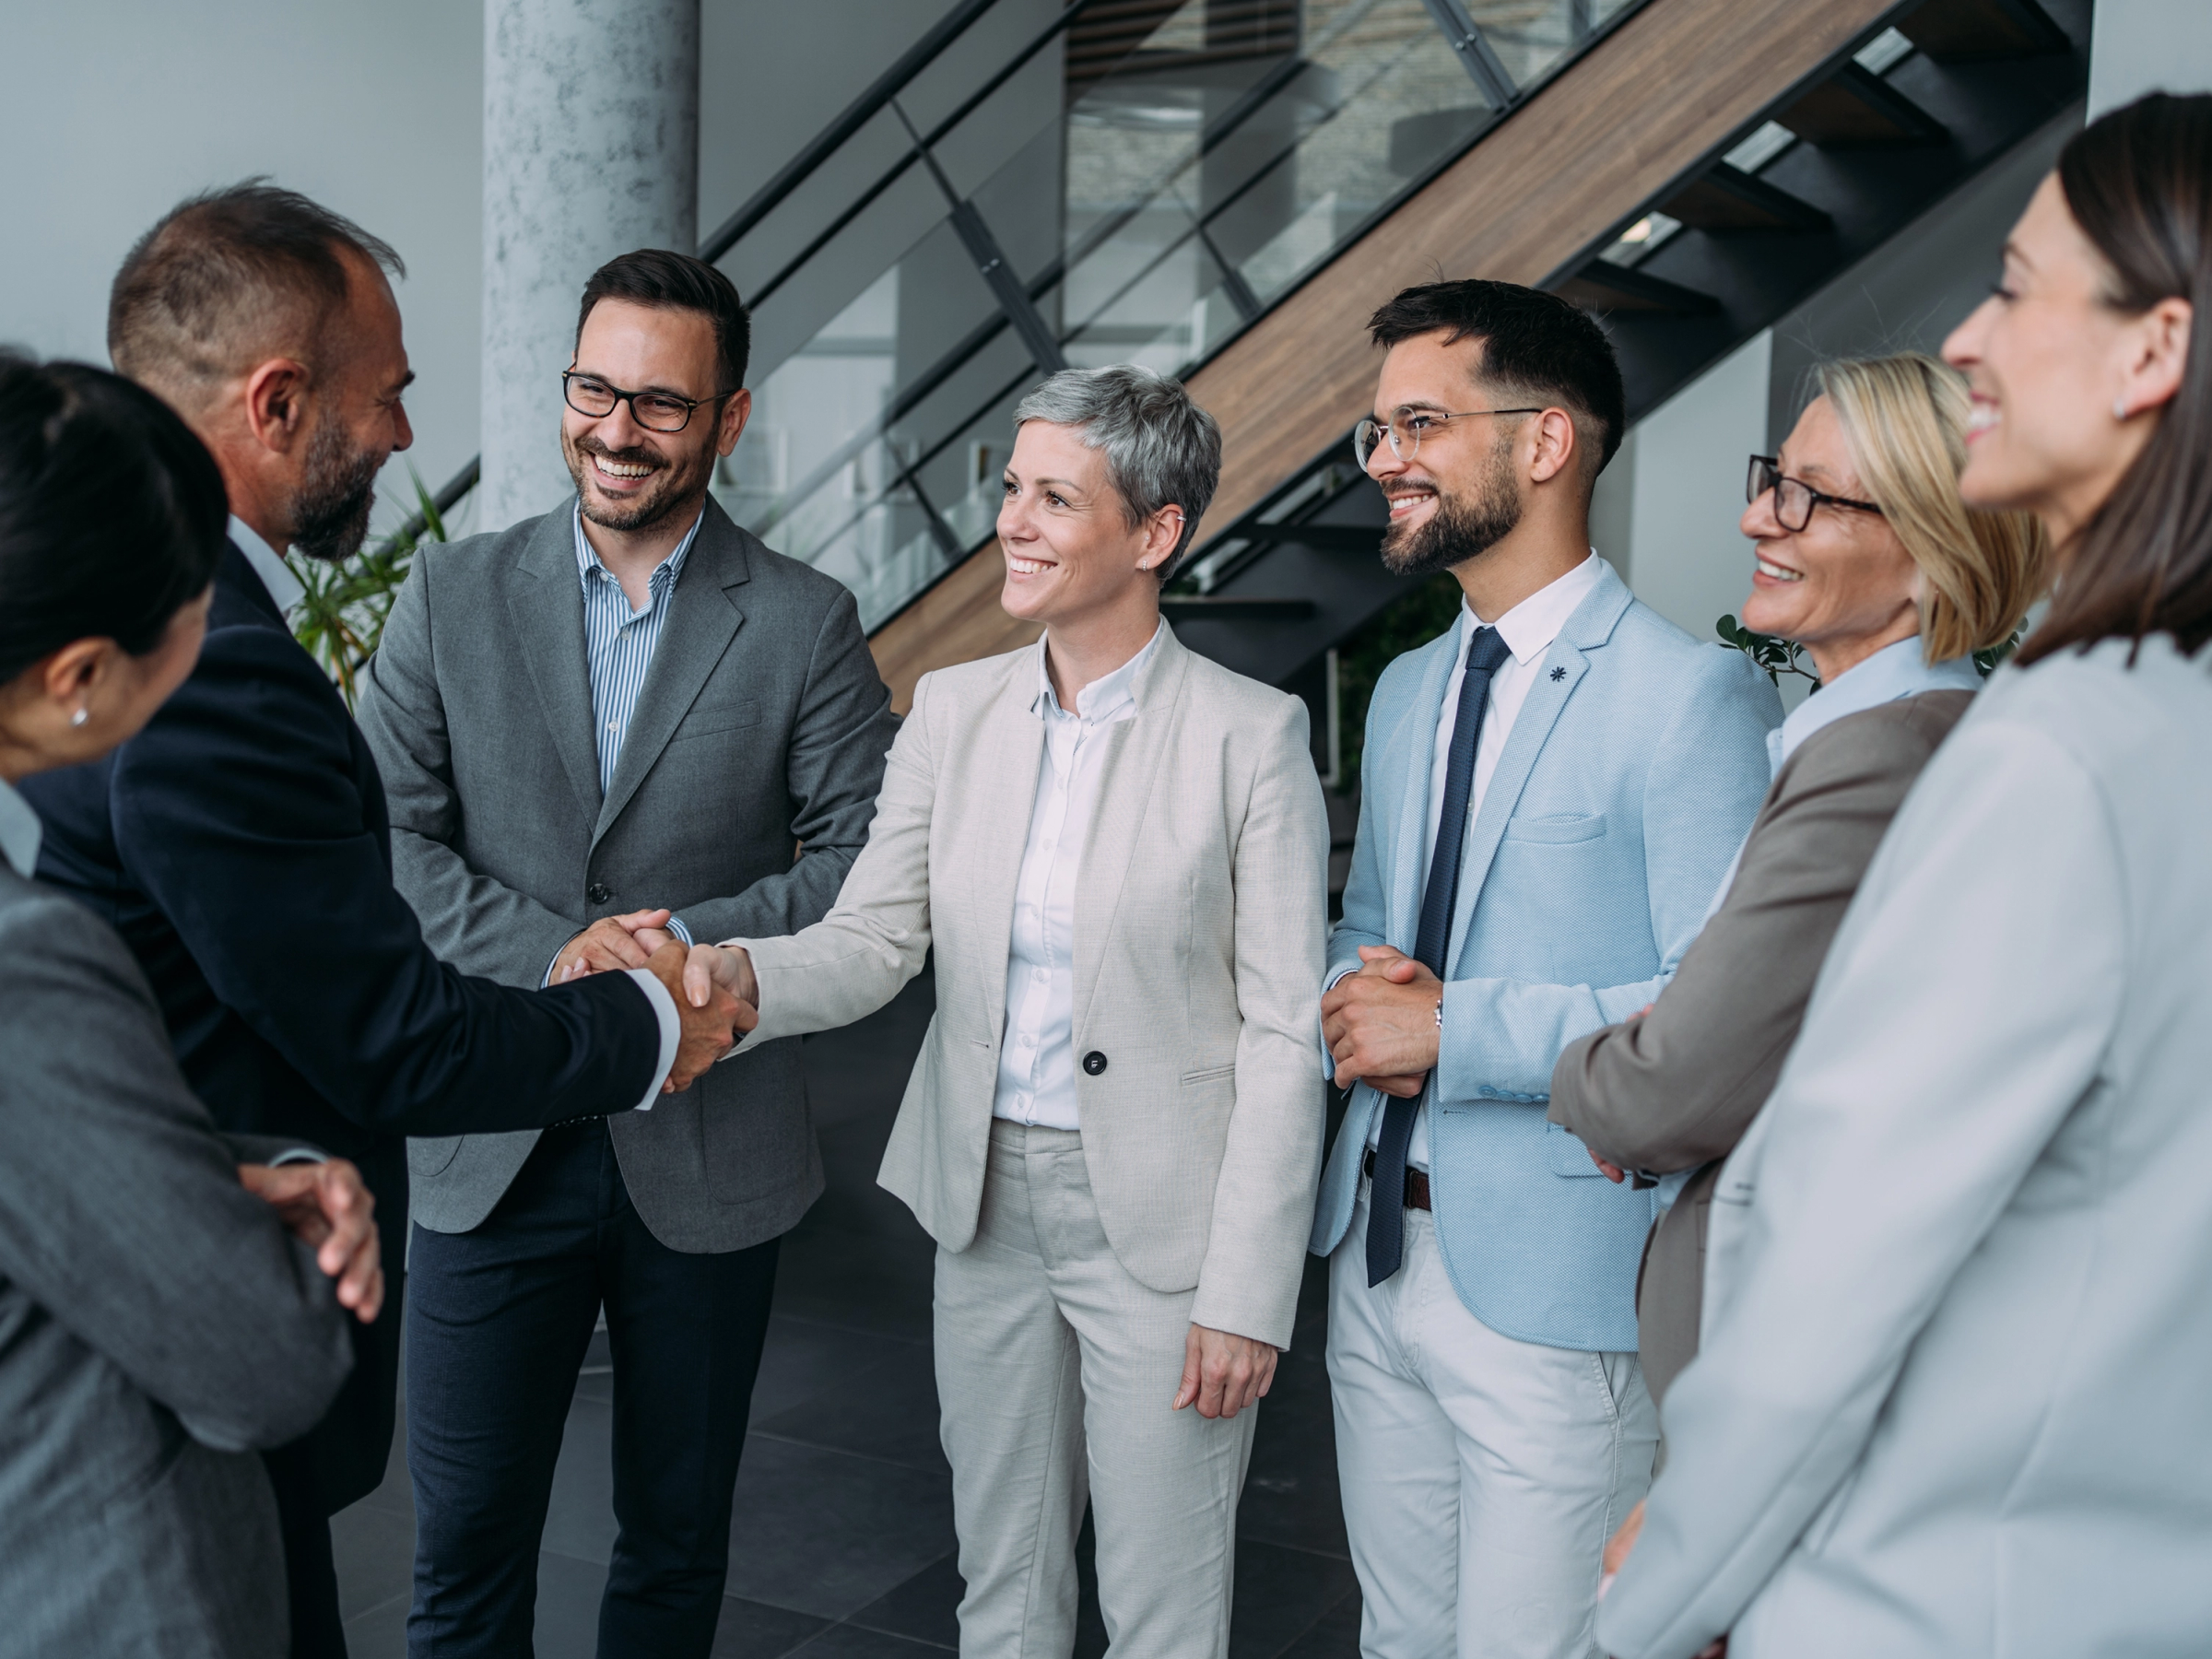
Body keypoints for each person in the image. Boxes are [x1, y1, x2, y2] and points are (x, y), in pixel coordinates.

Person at [18, 185, 748, 1659]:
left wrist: (228, 1163)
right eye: (393, 394)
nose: (412, 435)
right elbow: (388, 1035)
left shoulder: (192, 627)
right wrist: (651, 1014)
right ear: (280, 401)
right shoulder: (214, 655)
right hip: (140, 1451)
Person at [1598, 92, 2212, 1659]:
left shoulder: (2049, 760)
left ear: (2153, 352)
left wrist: (1641, 1610)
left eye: (2014, 285)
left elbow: (1830, 1280)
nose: (1966, 343)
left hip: (1927, 1595)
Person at [677, 364, 1328, 1659]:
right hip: (984, 1206)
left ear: (1155, 533)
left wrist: (1248, 1292)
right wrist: (737, 974)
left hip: (1167, 1225)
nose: (1012, 523)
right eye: (1012, 488)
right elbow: (869, 943)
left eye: (1053, 497)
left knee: (1162, 1608)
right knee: (1004, 1589)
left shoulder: (1250, 738)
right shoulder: (955, 712)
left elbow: (1284, 1031)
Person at [353, 249, 897, 1657]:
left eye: (661, 404)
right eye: (594, 387)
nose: (614, 428)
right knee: (463, 1552)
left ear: (729, 419)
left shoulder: (803, 620)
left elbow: (862, 862)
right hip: (491, 1140)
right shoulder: (448, 597)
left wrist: (670, 956)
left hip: (714, 1143)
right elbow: (389, 844)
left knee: (674, 1545)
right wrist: (567, 955)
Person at [1312, 279, 1779, 1659]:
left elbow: (1718, 1012)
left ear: (1545, 441)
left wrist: (1456, 1029)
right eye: (1376, 428)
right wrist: (1348, 995)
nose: (1384, 459)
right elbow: (1372, 932)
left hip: (1559, 1283)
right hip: (1374, 1256)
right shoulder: (1406, 689)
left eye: (1420, 423)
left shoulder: (1692, 695)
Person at [1550, 352, 2045, 1412]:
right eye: (1774, 477)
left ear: (1931, 556)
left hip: (1784, 1373)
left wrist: (1594, 1083)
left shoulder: (1880, 759)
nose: (1758, 519)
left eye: (1809, 498)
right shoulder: (1915, 737)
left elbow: (1669, 1086)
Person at [0, 355, 377, 1656]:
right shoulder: (25, 964)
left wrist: (210, 1167)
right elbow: (264, 1367)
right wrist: (280, 1241)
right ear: (82, 677)